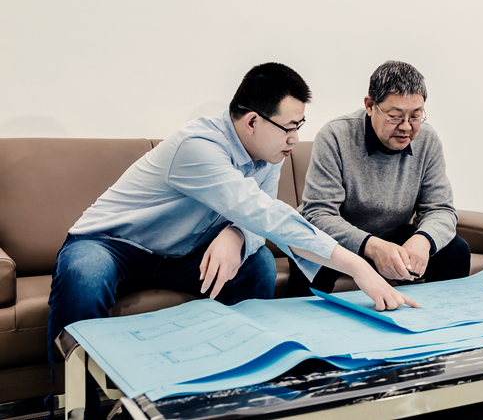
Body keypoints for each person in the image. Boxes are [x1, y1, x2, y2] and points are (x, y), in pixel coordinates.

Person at [47, 63, 418, 416]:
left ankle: (241, 391)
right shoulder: (198, 146)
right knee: (84, 271)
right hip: (114, 245)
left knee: (257, 264)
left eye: (299, 126)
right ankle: (74, 408)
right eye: (289, 128)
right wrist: (358, 267)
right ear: (253, 121)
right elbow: (269, 216)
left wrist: (237, 233)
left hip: (182, 254)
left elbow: (257, 218)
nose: (295, 138)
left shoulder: (269, 155)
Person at [287, 60, 471, 296]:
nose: (406, 127)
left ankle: (438, 315)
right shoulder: (335, 136)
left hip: (394, 237)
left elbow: (441, 209)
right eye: (395, 116)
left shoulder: (427, 140)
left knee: (456, 250)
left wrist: (423, 239)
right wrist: (372, 246)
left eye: (416, 116)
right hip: (338, 240)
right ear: (370, 105)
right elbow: (318, 214)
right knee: (309, 253)